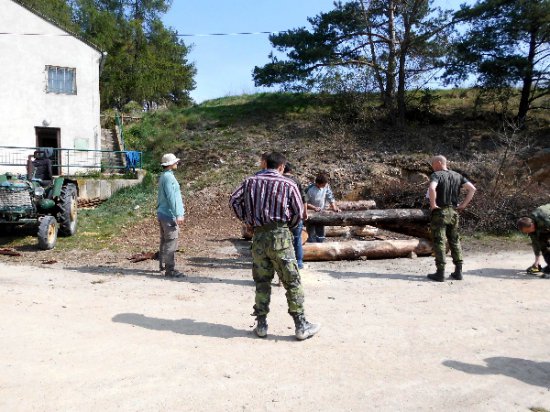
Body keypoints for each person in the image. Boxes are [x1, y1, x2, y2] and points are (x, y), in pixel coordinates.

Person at [229, 152, 320, 340]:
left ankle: (261, 325)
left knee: (262, 282)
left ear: (265, 164)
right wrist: (290, 226)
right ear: (281, 166)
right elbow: (298, 212)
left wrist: (247, 219)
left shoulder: (249, 181)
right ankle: (301, 325)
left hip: (259, 237)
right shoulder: (289, 184)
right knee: (292, 281)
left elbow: (234, 200)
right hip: (280, 236)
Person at [427, 155, 476, 282]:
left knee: (439, 241)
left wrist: (433, 205)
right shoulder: (457, 175)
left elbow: (432, 188)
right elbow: (472, 189)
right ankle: (458, 271)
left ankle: (440, 272)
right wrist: (463, 205)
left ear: (438, 162)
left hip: (440, 212)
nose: (432, 167)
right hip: (454, 212)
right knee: (454, 240)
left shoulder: (436, 175)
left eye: (433, 164)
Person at [157, 153, 186, 278]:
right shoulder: (169, 178)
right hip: (169, 214)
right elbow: (172, 198)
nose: (177, 163)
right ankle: (170, 270)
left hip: (163, 212)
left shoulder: (164, 176)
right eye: (175, 162)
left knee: (165, 241)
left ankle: (162, 265)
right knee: (171, 242)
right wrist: (178, 214)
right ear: (170, 164)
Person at [283, 162, 307, 270]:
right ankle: (299, 262)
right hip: (296, 215)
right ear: (291, 170)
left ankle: (284, 262)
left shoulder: (279, 180)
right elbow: (303, 198)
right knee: (297, 239)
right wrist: (304, 212)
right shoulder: (296, 181)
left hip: (282, 216)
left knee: (282, 239)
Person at [304, 173, 340, 243]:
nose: (324, 186)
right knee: (311, 232)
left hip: (321, 212)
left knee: (320, 231)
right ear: (317, 183)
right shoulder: (309, 189)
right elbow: (304, 202)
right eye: (323, 185)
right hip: (311, 214)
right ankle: (312, 247)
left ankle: (321, 244)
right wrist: (313, 207)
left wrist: (334, 207)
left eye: (325, 185)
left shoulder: (326, 186)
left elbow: (330, 197)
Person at [517, 204, 550, 275]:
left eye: (529, 231)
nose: (529, 233)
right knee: (542, 243)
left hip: (547, 219)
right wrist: (537, 261)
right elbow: (535, 243)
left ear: (532, 225)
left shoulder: (544, 218)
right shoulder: (531, 228)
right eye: (526, 232)